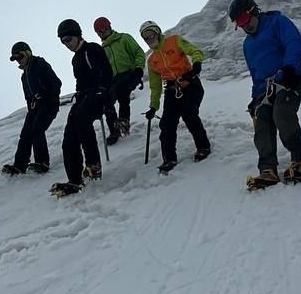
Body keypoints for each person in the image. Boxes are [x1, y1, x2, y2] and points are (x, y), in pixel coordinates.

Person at [228, 0, 301, 190]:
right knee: (262, 118)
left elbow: (294, 42)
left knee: (281, 110)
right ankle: (268, 169)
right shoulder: (248, 44)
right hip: (266, 87)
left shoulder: (276, 22)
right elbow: (256, 75)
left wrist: (289, 67)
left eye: (244, 19)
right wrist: (254, 99)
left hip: (291, 76)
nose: (244, 25)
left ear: (253, 11)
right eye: (239, 23)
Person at [51, 19, 113, 195]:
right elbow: (80, 82)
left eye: (69, 39)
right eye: (63, 42)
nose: (67, 44)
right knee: (69, 134)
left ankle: (94, 165)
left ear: (78, 35)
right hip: (84, 97)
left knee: (81, 118)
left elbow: (106, 72)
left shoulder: (93, 49)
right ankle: (75, 179)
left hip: (99, 94)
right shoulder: (75, 59)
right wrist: (79, 94)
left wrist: (102, 91)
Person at [140, 20, 211, 173]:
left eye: (151, 34)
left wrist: (196, 65)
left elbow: (195, 51)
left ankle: (203, 147)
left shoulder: (174, 41)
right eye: (145, 37)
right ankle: (169, 158)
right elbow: (155, 87)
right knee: (166, 124)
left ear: (157, 32)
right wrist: (153, 107)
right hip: (172, 91)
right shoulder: (151, 60)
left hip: (190, 83)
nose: (149, 39)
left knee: (189, 114)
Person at [2, 42, 62, 176]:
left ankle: (42, 162)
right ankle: (20, 165)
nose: (18, 60)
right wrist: (31, 105)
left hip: (49, 104)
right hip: (35, 108)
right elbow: (28, 96)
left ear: (28, 53)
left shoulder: (39, 64)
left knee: (37, 129)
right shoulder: (24, 76)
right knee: (26, 133)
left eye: (20, 56)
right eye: (15, 59)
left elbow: (56, 83)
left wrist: (47, 96)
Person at [92, 16, 146, 145]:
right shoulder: (102, 50)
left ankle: (123, 121)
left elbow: (138, 52)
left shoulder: (124, 38)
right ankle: (114, 130)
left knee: (122, 88)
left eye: (104, 30)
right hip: (112, 79)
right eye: (99, 32)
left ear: (109, 27)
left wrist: (139, 68)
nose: (102, 34)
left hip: (129, 73)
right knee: (106, 100)